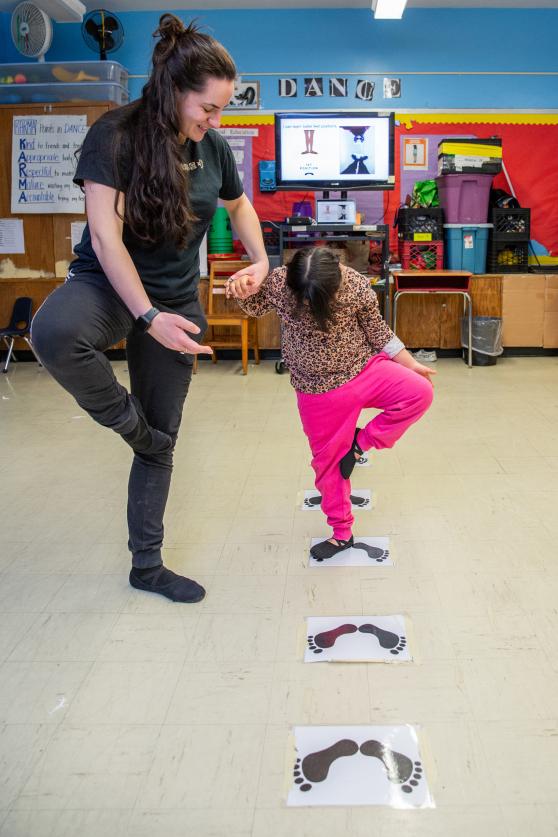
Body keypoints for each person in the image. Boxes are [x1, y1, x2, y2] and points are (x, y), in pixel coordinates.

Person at [31, 14, 268, 602]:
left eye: (223, 110)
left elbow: (238, 207)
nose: (218, 121)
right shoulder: (114, 135)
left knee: (166, 430)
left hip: (176, 295)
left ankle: (147, 566)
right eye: (209, 108)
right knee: (55, 332)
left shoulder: (211, 147)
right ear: (172, 90)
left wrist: (260, 259)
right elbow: (108, 242)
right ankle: (135, 428)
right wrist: (146, 317)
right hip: (109, 286)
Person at [229, 247, 434, 561]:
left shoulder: (354, 285)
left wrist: (410, 364)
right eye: (304, 297)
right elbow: (255, 307)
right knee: (328, 468)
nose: (310, 303)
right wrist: (242, 287)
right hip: (317, 390)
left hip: (363, 368)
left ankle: (359, 444)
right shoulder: (279, 282)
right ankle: (342, 533)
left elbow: (379, 332)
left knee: (419, 392)